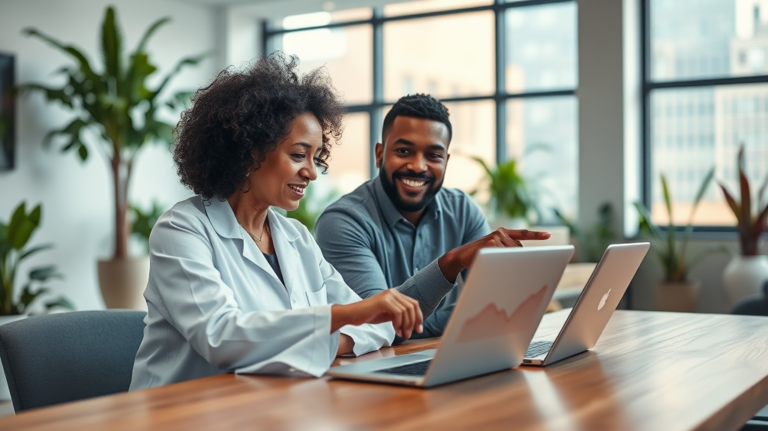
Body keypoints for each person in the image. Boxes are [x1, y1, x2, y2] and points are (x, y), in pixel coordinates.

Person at [130, 54, 422, 390]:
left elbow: (380, 324)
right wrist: (341, 319)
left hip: (269, 406)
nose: (312, 172)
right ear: (250, 151)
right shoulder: (181, 230)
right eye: (299, 155)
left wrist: (320, 341)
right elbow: (222, 339)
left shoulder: (295, 237)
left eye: (316, 157)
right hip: (177, 421)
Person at [315, 94, 549, 339]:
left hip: (448, 356)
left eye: (433, 155)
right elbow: (378, 326)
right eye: (404, 151)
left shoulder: (463, 210)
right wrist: (450, 264)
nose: (418, 166)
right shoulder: (342, 222)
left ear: (446, 161)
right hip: (375, 368)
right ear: (379, 154)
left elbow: (497, 310)